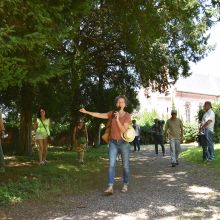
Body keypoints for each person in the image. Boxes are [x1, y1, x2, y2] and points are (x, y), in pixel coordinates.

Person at [79, 95, 132, 195]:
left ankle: (125, 184)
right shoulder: (112, 114)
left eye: (122, 102)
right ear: (116, 104)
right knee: (111, 165)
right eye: (119, 102)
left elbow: (124, 130)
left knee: (125, 166)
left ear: (125, 104)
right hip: (113, 143)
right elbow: (99, 114)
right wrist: (87, 112)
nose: (120, 103)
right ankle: (110, 186)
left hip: (124, 143)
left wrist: (117, 120)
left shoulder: (127, 116)